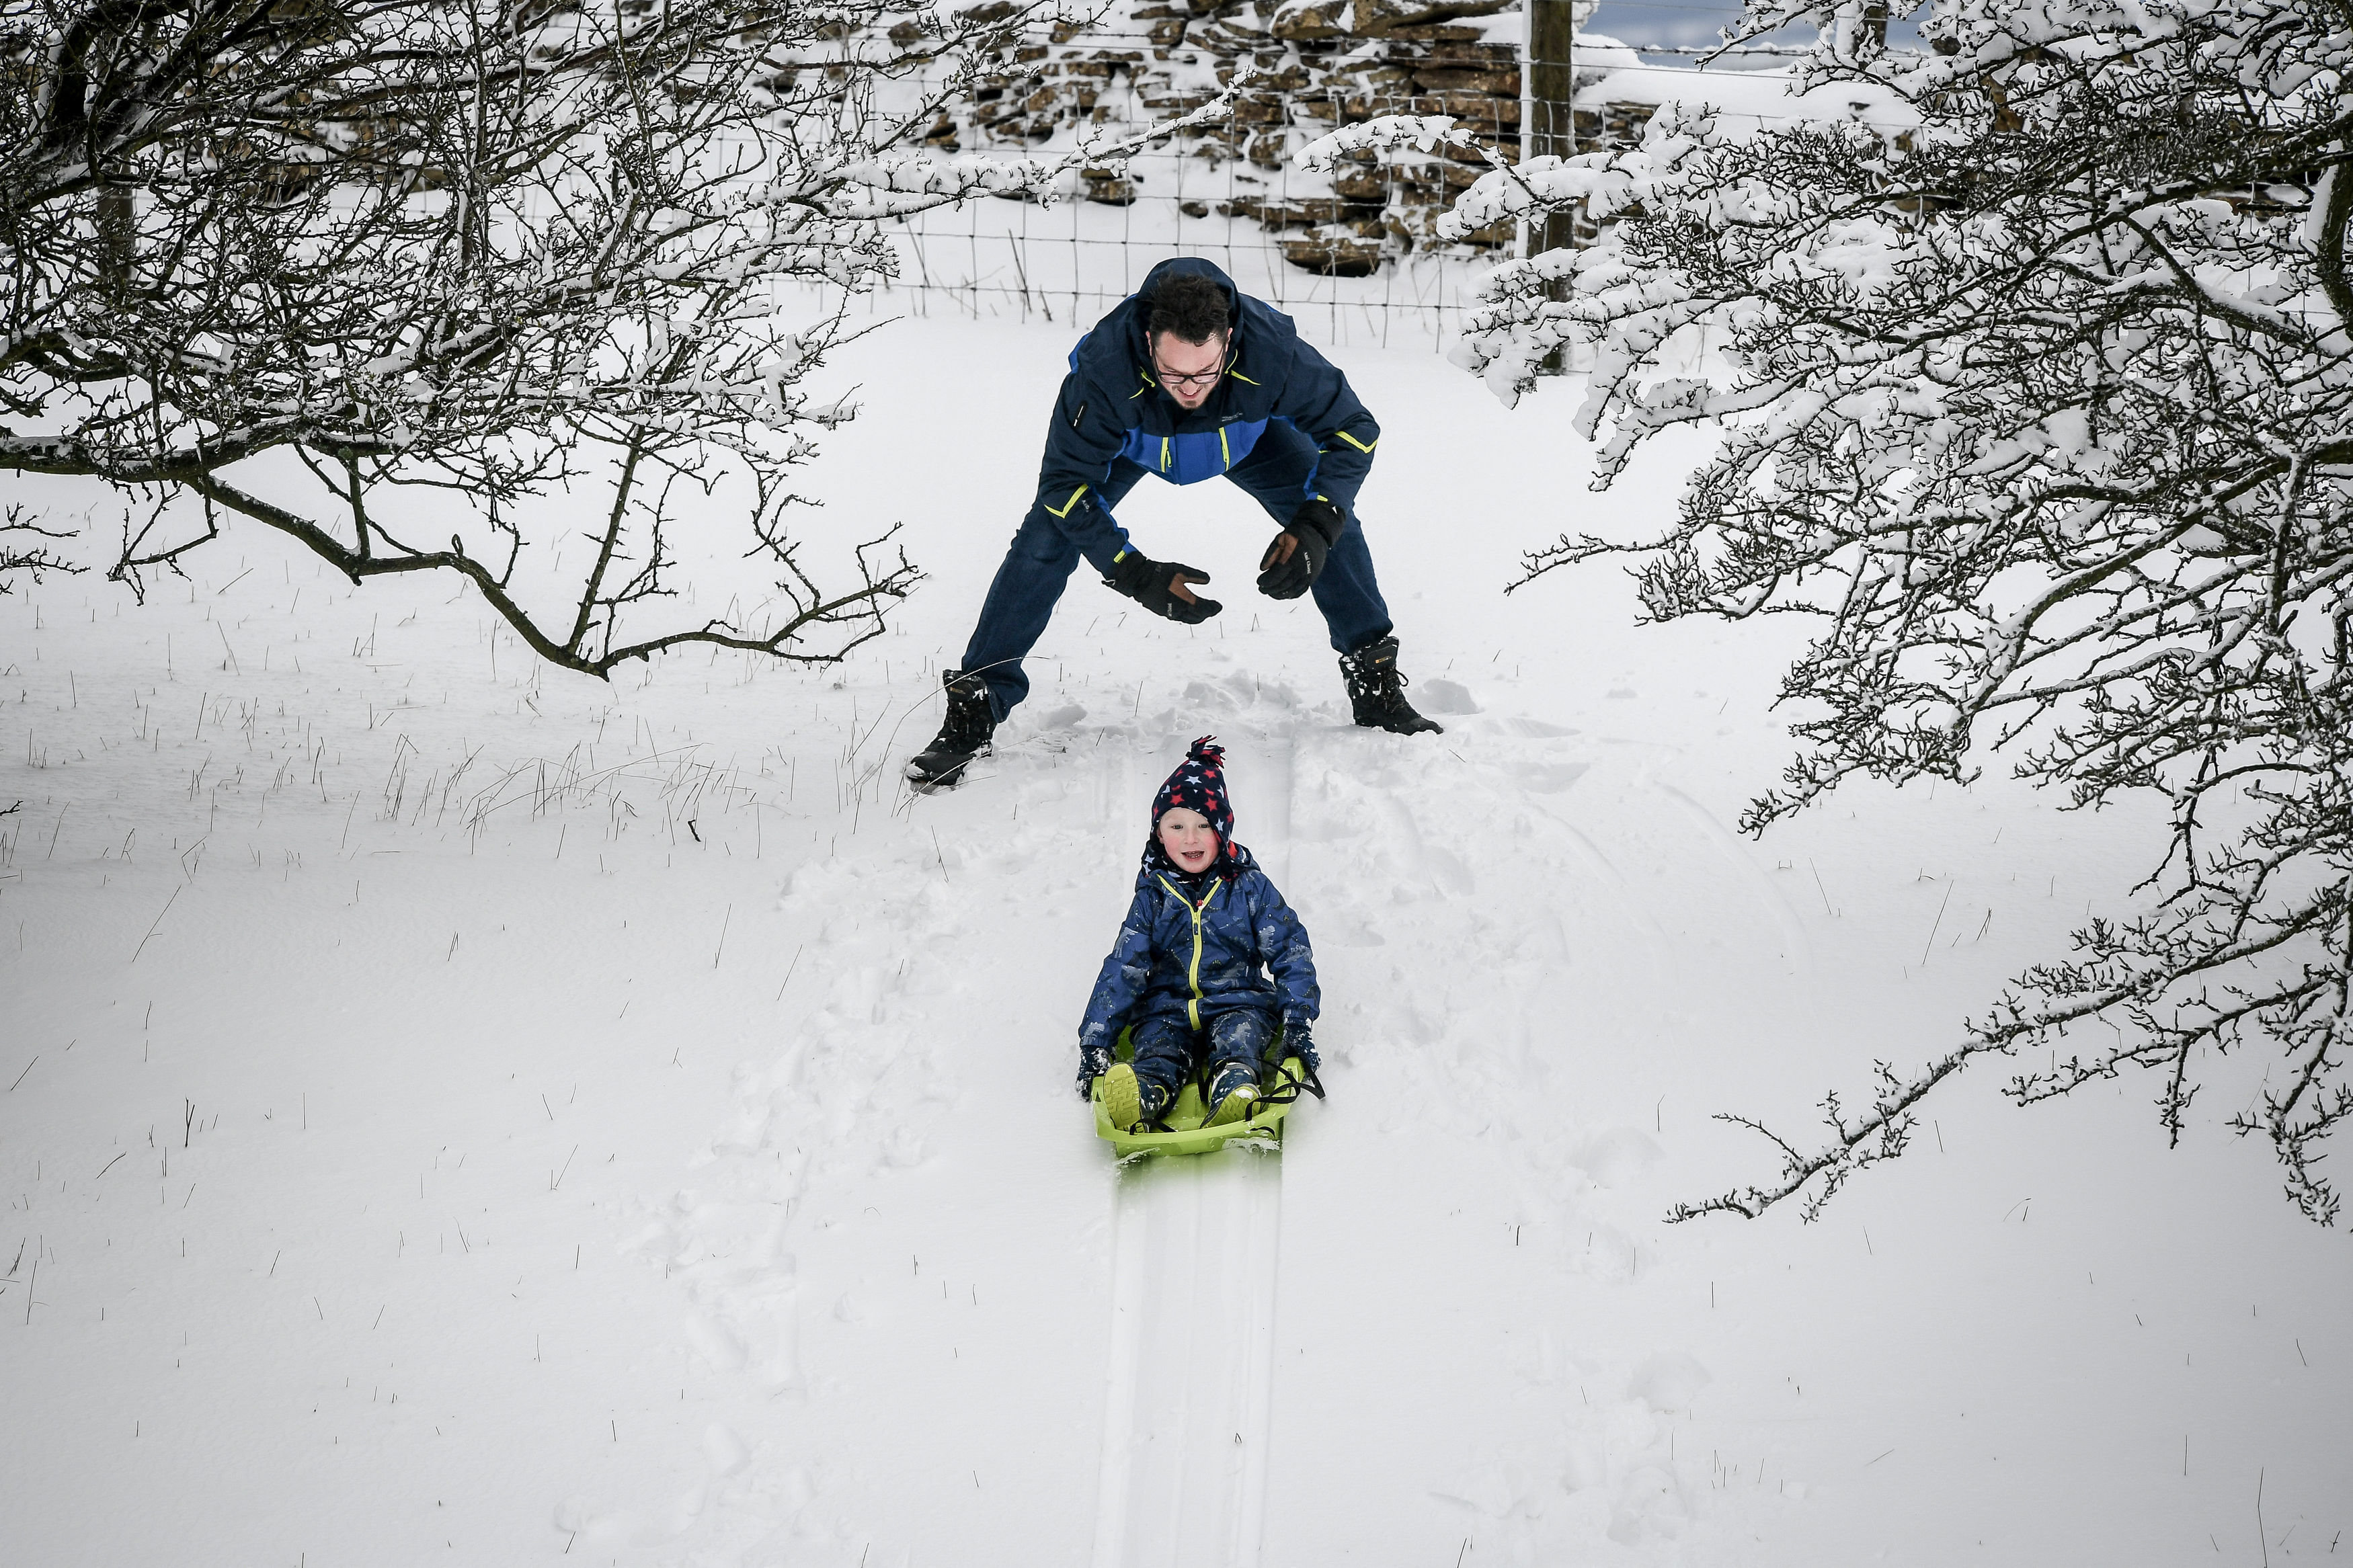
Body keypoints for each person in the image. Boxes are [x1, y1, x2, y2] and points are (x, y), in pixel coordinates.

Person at [906, 255, 1443, 788]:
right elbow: (1063, 487)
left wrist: (1317, 525)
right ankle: (972, 713)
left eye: (1206, 371)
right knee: (1045, 537)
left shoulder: (1272, 354)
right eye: (1174, 373)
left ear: (1230, 338)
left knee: (1336, 528)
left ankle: (1376, 687)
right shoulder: (1105, 371)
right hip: (1137, 446)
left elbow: (1354, 428)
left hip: (1246, 441)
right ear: (1147, 341)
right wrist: (1133, 572)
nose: (1190, 389)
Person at [1076, 737, 1321, 1132]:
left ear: (1221, 830)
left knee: (1238, 1043)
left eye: (1203, 826)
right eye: (1176, 826)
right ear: (1159, 833)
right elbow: (1125, 965)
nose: (1190, 839)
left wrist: (1297, 1020)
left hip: (1237, 1001)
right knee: (1157, 1053)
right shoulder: (1153, 896)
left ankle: (1235, 1089)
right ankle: (1141, 1096)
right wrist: (1095, 1040)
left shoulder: (1249, 888)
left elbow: (1291, 950)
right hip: (1166, 1007)